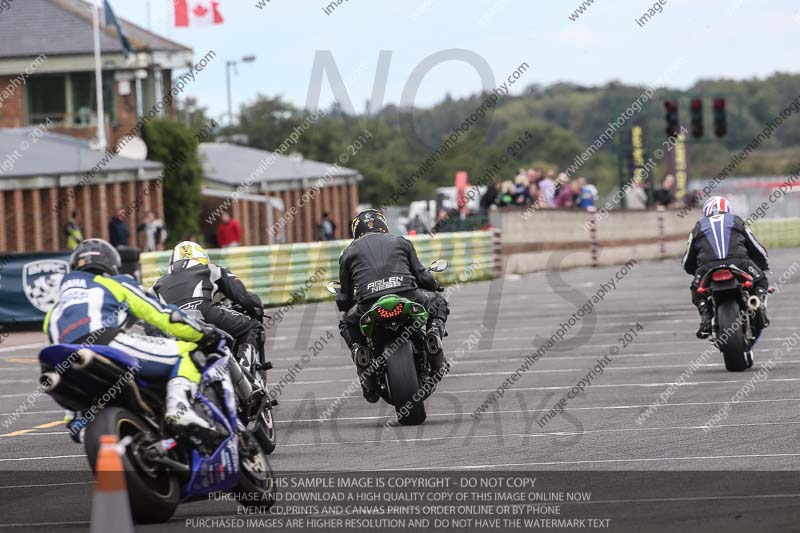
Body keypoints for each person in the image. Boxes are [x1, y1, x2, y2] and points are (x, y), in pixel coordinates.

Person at [43, 239, 220, 436]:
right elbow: (161, 315)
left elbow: (55, 343)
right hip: (105, 342)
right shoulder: (113, 284)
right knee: (185, 352)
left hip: (64, 362)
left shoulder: (54, 309)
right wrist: (200, 332)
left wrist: (71, 417)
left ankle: (80, 422)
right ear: (111, 264)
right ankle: (180, 410)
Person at [336, 209, 450, 402]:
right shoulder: (401, 241)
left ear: (356, 231)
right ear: (384, 226)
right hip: (407, 295)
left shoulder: (348, 254)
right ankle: (433, 335)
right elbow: (422, 276)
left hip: (369, 304)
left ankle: (361, 355)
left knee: (347, 323)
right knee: (438, 302)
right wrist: (435, 286)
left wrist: (344, 303)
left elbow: (345, 297)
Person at [150, 241, 265, 375]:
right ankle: (246, 372)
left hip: (173, 324)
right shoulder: (212, 269)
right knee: (253, 326)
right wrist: (256, 308)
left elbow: (149, 316)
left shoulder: (156, 285)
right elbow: (243, 296)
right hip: (205, 313)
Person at [681, 196, 770, 339]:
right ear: (728, 209)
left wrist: (695, 272)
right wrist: (763, 264)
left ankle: (706, 318)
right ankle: (757, 303)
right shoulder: (736, 221)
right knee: (761, 280)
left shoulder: (698, 226)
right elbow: (756, 247)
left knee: (696, 289)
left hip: (707, 267)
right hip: (739, 263)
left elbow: (686, 261)